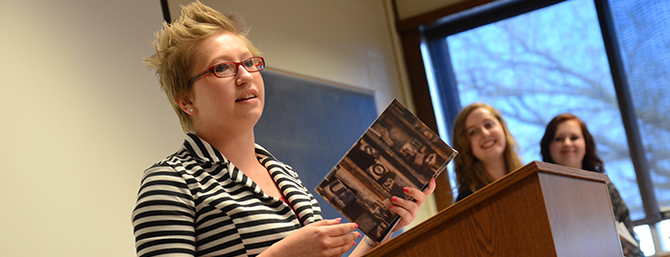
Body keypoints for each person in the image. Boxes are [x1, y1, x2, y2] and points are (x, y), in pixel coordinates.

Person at [131, 1, 435, 257]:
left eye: (249, 62)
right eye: (222, 68)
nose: (245, 76)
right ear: (186, 100)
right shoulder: (171, 182)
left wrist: (382, 230)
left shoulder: (284, 173)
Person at [540, 113, 643, 257]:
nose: (567, 143)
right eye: (559, 139)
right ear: (548, 147)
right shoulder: (540, 193)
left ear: (586, 144)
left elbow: (631, 238)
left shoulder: (605, 186)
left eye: (574, 137)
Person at [452, 103, 523, 202]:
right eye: (473, 132)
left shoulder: (532, 178)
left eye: (488, 125)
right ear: (465, 145)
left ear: (503, 128)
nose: (485, 133)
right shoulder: (466, 201)